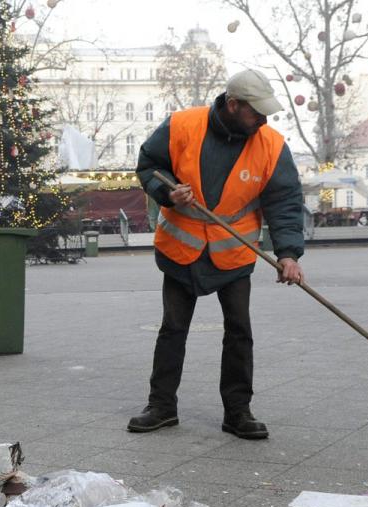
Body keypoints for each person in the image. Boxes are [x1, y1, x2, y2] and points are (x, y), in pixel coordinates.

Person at [128, 70, 306, 440]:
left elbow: (285, 201)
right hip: (182, 247)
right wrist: (168, 192)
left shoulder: (271, 144)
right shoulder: (181, 125)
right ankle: (161, 406)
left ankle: (238, 412)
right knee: (173, 328)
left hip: (234, 252)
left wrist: (289, 254)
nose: (263, 119)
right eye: (255, 112)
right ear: (233, 103)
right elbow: (148, 165)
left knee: (239, 330)